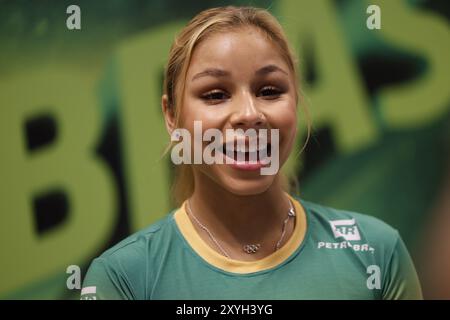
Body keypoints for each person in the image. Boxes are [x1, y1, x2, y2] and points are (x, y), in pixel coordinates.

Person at [81, 6, 422, 300]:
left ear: (297, 102)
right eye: (215, 94)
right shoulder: (123, 276)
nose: (248, 113)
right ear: (171, 116)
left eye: (269, 90)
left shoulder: (376, 251)